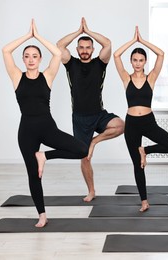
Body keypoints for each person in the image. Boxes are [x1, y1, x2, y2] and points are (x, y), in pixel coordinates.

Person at [2, 19, 88, 227]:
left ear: (40, 59)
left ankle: (45, 156)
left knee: (82, 149)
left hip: (47, 127)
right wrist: (27, 36)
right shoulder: (17, 77)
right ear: (23, 59)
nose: (31, 60)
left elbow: (57, 54)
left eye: (35, 56)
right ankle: (42, 215)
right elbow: (5, 50)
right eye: (27, 56)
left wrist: (37, 36)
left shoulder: (47, 76)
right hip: (27, 132)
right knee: (34, 175)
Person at [56, 17, 124, 202]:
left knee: (120, 126)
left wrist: (89, 31)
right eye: (82, 47)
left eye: (88, 47)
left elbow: (108, 43)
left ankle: (93, 142)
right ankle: (92, 191)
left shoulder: (100, 63)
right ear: (77, 50)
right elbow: (59, 45)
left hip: (98, 114)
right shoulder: (71, 64)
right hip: (79, 118)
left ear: (93, 50)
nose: (85, 51)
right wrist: (79, 32)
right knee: (84, 157)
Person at [114, 26, 168, 212]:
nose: (137, 63)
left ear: (145, 62)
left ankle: (146, 150)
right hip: (132, 124)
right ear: (131, 61)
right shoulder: (126, 78)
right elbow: (116, 56)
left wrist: (142, 41)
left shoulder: (151, 78)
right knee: (137, 165)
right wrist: (132, 42)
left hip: (149, 122)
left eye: (141, 60)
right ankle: (144, 201)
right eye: (134, 60)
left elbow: (161, 54)